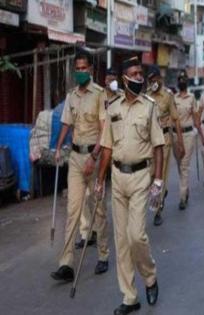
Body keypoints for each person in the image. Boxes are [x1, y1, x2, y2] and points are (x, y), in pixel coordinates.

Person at [95, 56, 164, 315]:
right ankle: (130, 297)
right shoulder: (113, 108)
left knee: (137, 235)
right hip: (118, 176)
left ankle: (150, 276)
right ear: (123, 79)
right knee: (122, 241)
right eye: (133, 74)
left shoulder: (149, 106)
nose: (138, 78)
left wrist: (158, 180)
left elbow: (158, 145)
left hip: (140, 177)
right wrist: (100, 181)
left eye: (140, 74)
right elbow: (106, 148)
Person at [51, 50, 110, 282]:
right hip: (75, 158)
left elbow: (105, 129)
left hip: (93, 158)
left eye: (85, 68)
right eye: (78, 68)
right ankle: (66, 264)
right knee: (73, 210)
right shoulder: (72, 96)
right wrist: (57, 148)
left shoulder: (99, 94)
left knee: (98, 208)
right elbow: (66, 123)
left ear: (91, 70)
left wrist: (94, 157)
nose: (81, 72)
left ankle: (103, 254)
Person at [76, 68, 121, 249]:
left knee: (115, 189)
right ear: (105, 80)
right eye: (109, 79)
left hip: (116, 147)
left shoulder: (123, 97)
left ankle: (118, 227)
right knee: (89, 194)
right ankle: (89, 231)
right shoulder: (99, 96)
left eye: (114, 79)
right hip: (99, 145)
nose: (111, 82)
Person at [147, 65, 185, 226]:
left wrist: (180, 142)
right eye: (150, 80)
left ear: (160, 79)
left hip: (164, 140)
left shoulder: (168, 96)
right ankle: (162, 194)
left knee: (159, 175)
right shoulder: (146, 96)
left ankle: (157, 210)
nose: (153, 82)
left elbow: (175, 119)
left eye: (154, 79)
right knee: (149, 175)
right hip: (149, 141)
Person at [173, 70, 202, 210]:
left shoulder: (191, 98)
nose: (182, 82)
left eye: (184, 80)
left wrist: (201, 134)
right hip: (175, 136)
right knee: (179, 165)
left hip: (188, 135)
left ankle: (182, 197)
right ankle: (186, 189)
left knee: (184, 165)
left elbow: (196, 117)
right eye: (180, 80)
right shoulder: (173, 98)